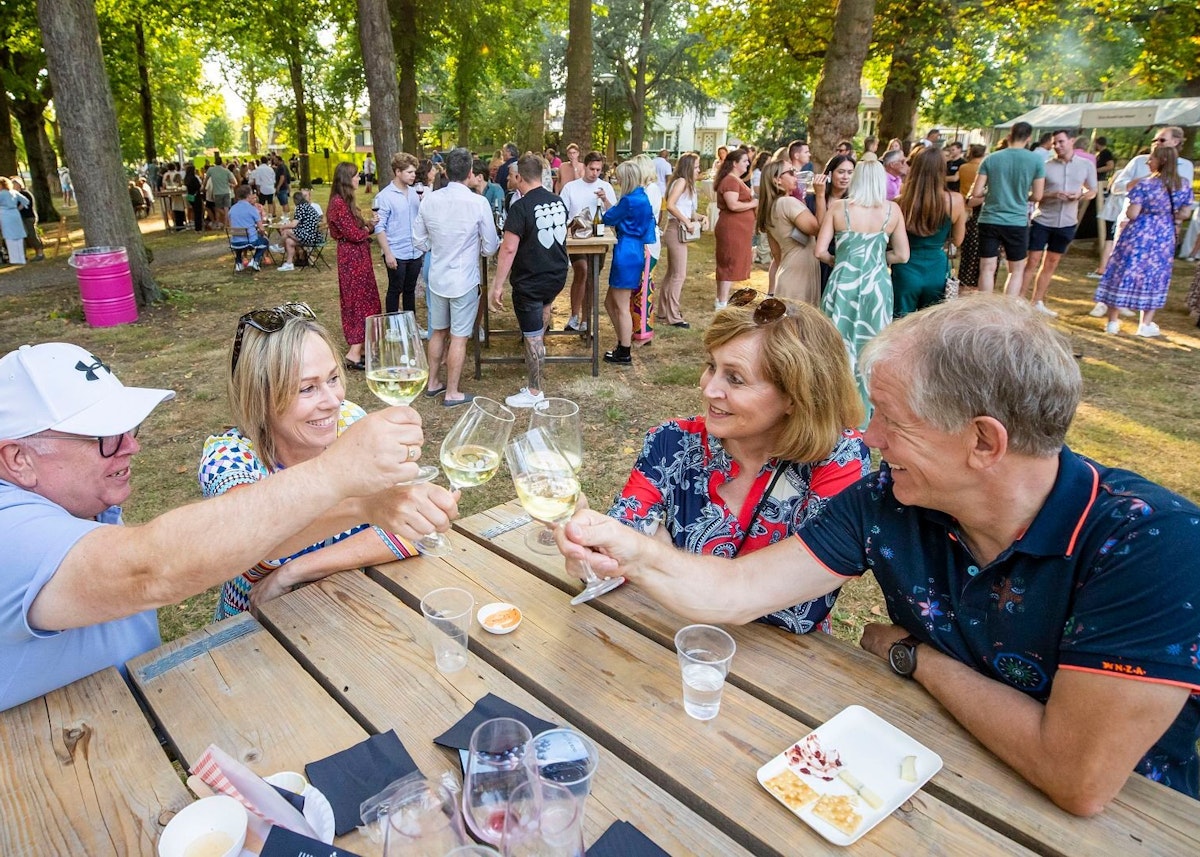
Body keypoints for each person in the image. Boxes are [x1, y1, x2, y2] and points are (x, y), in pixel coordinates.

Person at [558, 295, 1200, 812]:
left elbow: (1078, 777)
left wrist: (914, 657)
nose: (868, 436)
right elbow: (734, 592)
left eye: (891, 419)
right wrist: (631, 550)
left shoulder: (1153, 543)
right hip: (913, 768)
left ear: (982, 441)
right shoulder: (887, 499)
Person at [0, 340, 455, 711]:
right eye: (105, 437)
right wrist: (337, 474)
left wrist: (363, 507)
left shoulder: (78, 503)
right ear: (18, 459)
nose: (132, 448)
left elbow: (260, 540)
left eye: (130, 428)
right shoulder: (12, 534)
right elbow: (152, 569)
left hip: (126, 714)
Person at [608, 297, 869, 632]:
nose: (709, 388)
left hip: (784, 666)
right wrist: (593, 553)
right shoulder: (672, 441)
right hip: (669, 638)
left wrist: (656, 548)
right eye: (711, 366)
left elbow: (800, 607)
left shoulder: (838, 459)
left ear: (795, 396)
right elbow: (613, 551)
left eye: (735, 378)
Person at [199, 306, 447, 618]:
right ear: (260, 395)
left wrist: (295, 571)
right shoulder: (229, 458)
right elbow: (248, 542)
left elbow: (411, 531)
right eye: (307, 388)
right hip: (257, 630)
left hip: (345, 608)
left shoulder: (349, 421)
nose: (333, 401)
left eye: (333, 378)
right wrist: (369, 507)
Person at [815, 154, 909, 422]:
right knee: (871, 345)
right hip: (876, 284)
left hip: (843, 280)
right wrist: (878, 261)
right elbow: (902, 255)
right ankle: (864, 413)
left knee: (835, 342)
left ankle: (831, 408)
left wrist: (841, 261)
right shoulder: (892, 211)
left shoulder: (839, 208)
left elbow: (820, 251)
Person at [413, 147, 500, 406]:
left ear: (447, 171)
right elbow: (490, 246)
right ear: (470, 173)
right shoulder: (478, 202)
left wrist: (437, 247)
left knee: (437, 331)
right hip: (464, 278)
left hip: (438, 275)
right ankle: (451, 391)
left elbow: (418, 239)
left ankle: (432, 382)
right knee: (459, 336)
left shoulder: (430, 199)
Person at [488, 154, 569, 408]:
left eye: (512, 176)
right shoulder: (557, 201)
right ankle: (536, 379)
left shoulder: (520, 208)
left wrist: (497, 285)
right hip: (555, 276)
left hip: (531, 280)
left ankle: (535, 393)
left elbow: (508, 249)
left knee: (533, 336)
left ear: (519, 177)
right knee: (540, 323)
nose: (509, 179)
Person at [1090, 126, 1193, 315]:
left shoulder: (1185, 167)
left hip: (1163, 227)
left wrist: (1175, 220)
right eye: (1155, 140)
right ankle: (1108, 303)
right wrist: (1145, 181)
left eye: (1161, 140)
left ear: (1176, 142)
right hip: (1133, 222)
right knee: (1122, 263)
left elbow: (1184, 203)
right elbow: (1117, 186)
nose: (1156, 143)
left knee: (1151, 269)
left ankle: (1132, 304)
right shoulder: (1140, 162)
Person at [1020, 130, 1097, 316]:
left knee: (1051, 263)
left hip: (1067, 221)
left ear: (1071, 141)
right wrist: (1052, 195)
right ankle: (1019, 301)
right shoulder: (1045, 166)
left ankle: (1037, 300)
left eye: (1061, 142)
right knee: (1032, 260)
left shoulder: (1086, 165)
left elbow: (1092, 190)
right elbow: (1033, 194)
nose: (1057, 146)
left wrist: (1080, 195)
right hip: (1043, 218)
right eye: (1055, 143)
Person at [968, 121, 1045, 294]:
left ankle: (985, 306)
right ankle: (1008, 308)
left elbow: (976, 192)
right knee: (1016, 269)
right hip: (1016, 220)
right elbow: (1038, 196)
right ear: (1029, 138)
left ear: (1009, 135)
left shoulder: (991, 158)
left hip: (989, 218)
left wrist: (992, 191)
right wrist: (1024, 196)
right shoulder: (1036, 161)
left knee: (987, 267)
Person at [891, 146, 966, 316]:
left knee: (899, 325)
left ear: (915, 168)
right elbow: (958, 240)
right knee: (931, 325)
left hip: (905, 268)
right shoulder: (955, 201)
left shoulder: (900, 203)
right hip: (937, 269)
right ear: (942, 169)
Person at [601, 159, 658, 365]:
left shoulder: (629, 200)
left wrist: (606, 209)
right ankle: (622, 343)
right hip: (635, 248)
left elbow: (609, 218)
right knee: (610, 302)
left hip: (626, 249)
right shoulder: (642, 197)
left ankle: (624, 350)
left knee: (621, 305)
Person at [327, 161, 381, 370]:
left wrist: (368, 224)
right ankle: (354, 353)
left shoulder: (345, 202)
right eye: (356, 176)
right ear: (346, 179)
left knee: (366, 299)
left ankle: (363, 348)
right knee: (358, 301)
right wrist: (369, 229)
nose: (359, 178)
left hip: (357, 256)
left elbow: (355, 229)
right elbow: (353, 234)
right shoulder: (339, 203)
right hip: (351, 258)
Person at [559, 151, 616, 333]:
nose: (595, 173)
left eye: (598, 169)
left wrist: (605, 199)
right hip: (577, 238)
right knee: (581, 271)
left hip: (598, 237)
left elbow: (614, 214)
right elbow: (563, 212)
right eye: (592, 169)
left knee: (592, 277)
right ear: (585, 167)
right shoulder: (571, 187)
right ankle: (574, 316)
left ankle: (586, 319)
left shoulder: (605, 187)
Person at [757, 160, 820, 306]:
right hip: (798, 278)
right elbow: (817, 228)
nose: (796, 176)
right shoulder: (787, 202)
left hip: (787, 275)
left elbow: (777, 254)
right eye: (791, 172)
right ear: (777, 180)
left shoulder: (771, 207)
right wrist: (821, 195)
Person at [659, 153, 707, 328]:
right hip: (676, 230)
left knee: (672, 273)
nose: (698, 170)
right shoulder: (681, 182)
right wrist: (686, 222)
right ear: (688, 168)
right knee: (679, 274)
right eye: (696, 167)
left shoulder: (685, 184)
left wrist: (701, 217)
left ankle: (664, 311)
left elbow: (685, 209)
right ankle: (674, 316)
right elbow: (670, 205)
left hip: (677, 229)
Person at [373, 152, 425, 314]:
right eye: (409, 172)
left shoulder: (416, 194)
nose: (413, 175)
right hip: (396, 252)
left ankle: (411, 325)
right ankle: (392, 325)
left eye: (414, 172)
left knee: (410, 290)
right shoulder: (384, 197)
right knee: (395, 289)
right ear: (397, 172)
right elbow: (379, 227)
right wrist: (388, 253)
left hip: (415, 251)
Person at [713, 147, 755, 309]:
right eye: (744, 161)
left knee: (730, 263)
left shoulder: (736, 180)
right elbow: (733, 204)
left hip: (739, 229)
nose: (748, 163)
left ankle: (722, 300)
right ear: (734, 163)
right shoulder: (730, 180)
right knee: (728, 264)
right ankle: (721, 302)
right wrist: (753, 203)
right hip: (731, 228)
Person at [955, 144, 987, 290]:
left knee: (967, 256)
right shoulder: (983, 170)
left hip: (963, 204)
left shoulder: (963, 167)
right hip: (976, 209)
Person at [276, 190, 322, 272]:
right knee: (289, 241)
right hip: (313, 235)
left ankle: (279, 247)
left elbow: (294, 224)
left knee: (287, 231)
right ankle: (289, 264)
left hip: (310, 237)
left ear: (295, 200)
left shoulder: (300, 207)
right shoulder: (307, 206)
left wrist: (283, 226)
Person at [228, 184, 268, 272]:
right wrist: (262, 233)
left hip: (235, 241)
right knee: (265, 241)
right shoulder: (252, 209)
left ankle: (238, 262)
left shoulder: (232, 209)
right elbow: (261, 228)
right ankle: (255, 260)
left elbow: (231, 227)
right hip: (249, 241)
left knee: (239, 240)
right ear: (248, 195)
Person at [0, 177, 30, 265]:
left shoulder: (1, 194)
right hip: (15, 213)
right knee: (18, 236)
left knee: (9, 237)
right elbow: (26, 201)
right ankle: (21, 258)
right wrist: (18, 208)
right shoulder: (14, 192)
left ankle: (14, 259)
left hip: (5, 215)